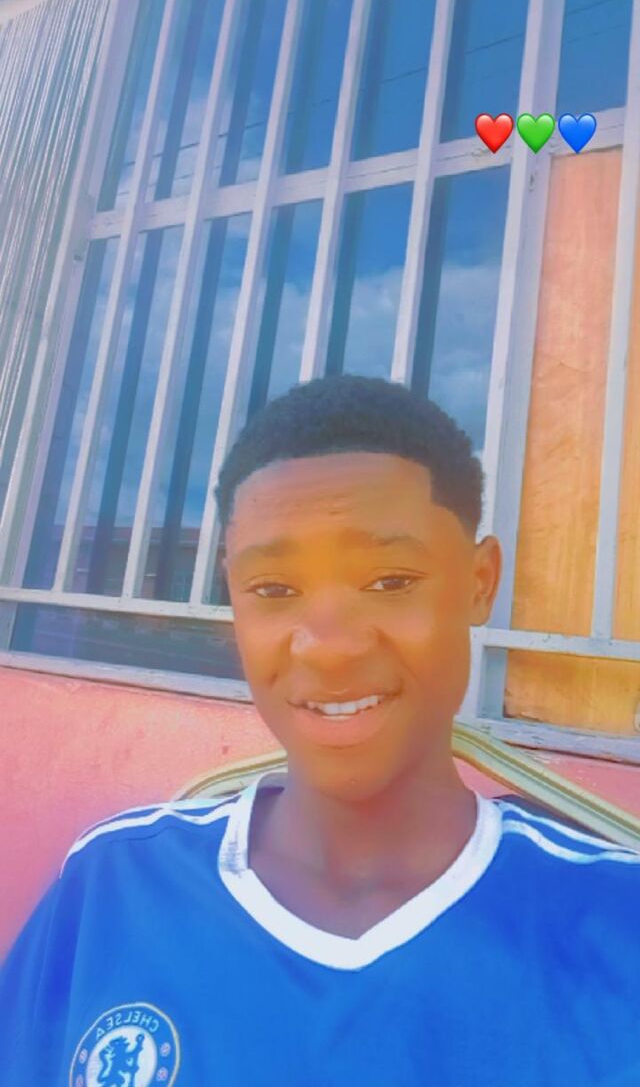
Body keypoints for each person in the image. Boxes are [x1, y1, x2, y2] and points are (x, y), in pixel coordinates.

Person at [1, 373, 640, 1087]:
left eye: (390, 581)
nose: (328, 646)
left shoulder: (616, 925)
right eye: (274, 590)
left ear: (479, 581)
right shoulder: (114, 887)